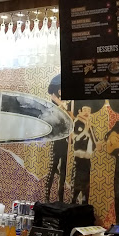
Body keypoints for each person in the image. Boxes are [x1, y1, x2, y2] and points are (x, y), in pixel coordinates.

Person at [45, 74, 71, 202]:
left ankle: (60, 198)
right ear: (59, 91)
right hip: (56, 141)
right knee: (52, 168)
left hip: (66, 142)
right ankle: (46, 196)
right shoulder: (52, 107)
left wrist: (61, 104)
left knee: (63, 171)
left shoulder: (67, 105)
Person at [71, 101, 102, 204]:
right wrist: (85, 130)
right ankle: (73, 202)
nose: (86, 112)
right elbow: (75, 140)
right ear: (80, 111)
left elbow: (94, 143)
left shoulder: (91, 127)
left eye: (89, 110)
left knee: (86, 184)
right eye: (85, 110)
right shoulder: (76, 123)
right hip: (78, 159)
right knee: (76, 183)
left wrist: (98, 145)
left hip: (87, 159)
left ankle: (85, 204)